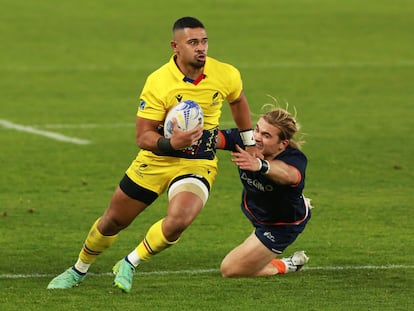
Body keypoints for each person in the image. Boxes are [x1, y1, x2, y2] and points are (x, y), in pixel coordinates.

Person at [47, 16, 257, 293]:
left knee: (180, 220)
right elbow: (143, 136)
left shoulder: (226, 73)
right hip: (156, 160)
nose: (201, 48)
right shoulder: (158, 82)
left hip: (197, 162)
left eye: (204, 41)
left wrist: (249, 140)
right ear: (175, 46)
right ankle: (78, 269)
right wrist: (173, 143)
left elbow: (238, 100)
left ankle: (129, 263)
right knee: (113, 221)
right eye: (192, 42)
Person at [216, 106, 312, 277]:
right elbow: (213, 139)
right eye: (257, 130)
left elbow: (289, 175)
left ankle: (287, 264)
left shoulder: (294, 159)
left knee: (231, 269)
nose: (257, 138)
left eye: (266, 136)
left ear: (282, 144)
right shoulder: (247, 140)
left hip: (282, 225)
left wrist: (261, 165)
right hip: (258, 211)